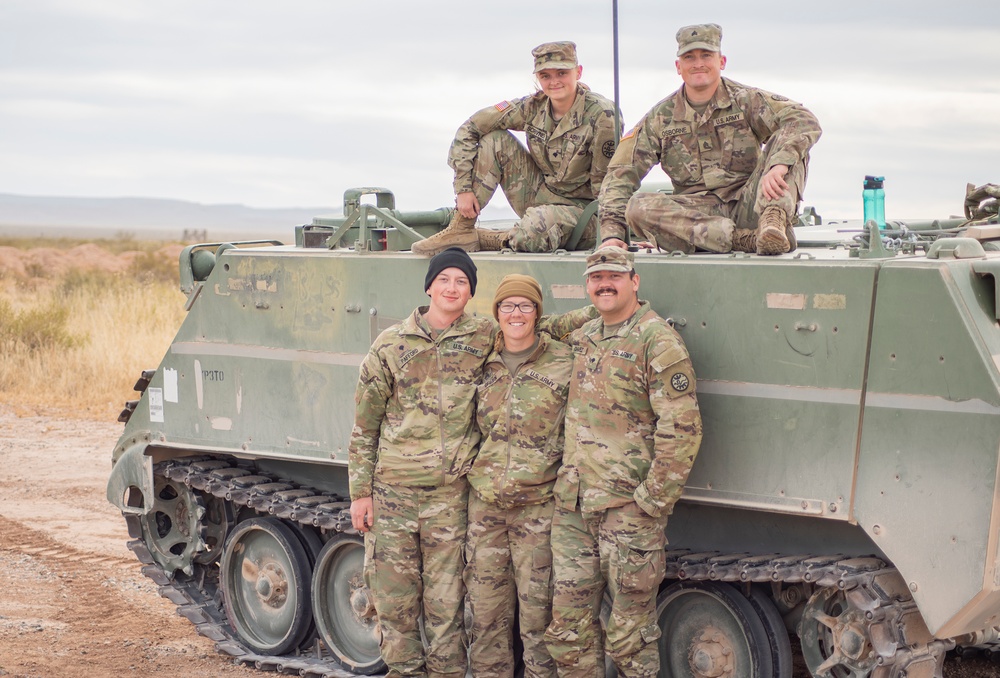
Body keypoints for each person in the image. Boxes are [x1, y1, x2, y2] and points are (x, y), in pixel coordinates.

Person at [544, 247, 703, 677]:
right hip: (575, 509)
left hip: (628, 513)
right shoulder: (585, 334)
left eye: (615, 276)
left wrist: (651, 503)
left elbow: (682, 428)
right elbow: (539, 328)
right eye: (596, 278)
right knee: (569, 633)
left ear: (636, 281)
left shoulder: (657, 341)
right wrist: (590, 312)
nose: (605, 283)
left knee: (630, 638)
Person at [348, 247, 492, 678]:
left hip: (449, 499)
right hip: (393, 497)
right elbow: (364, 426)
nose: (452, 287)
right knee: (395, 604)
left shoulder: (484, 336)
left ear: (470, 292)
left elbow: (536, 327)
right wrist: (360, 493)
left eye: (462, 281)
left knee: (447, 607)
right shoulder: (391, 345)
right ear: (429, 285)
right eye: (444, 279)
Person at [598, 23, 821, 256]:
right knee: (637, 208)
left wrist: (779, 163)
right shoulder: (660, 118)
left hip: (752, 204)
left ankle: (774, 220)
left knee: (793, 146)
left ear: (721, 61)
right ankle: (744, 240)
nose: (698, 64)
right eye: (689, 57)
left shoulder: (746, 100)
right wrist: (612, 235)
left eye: (706, 55)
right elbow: (620, 175)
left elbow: (803, 119)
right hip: (697, 219)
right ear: (678, 66)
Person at [412, 41, 620, 256]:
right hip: (541, 195)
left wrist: (612, 234)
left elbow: (608, 182)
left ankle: (492, 238)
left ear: (578, 72)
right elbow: (471, 127)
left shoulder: (602, 115)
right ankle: (461, 229)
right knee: (495, 139)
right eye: (545, 76)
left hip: (584, 213)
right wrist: (463, 189)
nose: (554, 81)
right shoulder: (532, 107)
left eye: (562, 73)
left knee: (531, 234)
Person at [466, 274, 574, 678]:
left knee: (539, 621)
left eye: (525, 306)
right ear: (496, 313)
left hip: (538, 510)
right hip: (486, 510)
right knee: (486, 620)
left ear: (538, 313)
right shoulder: (481, 361)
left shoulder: (564, 361)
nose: (516, 314)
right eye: (508, 306)